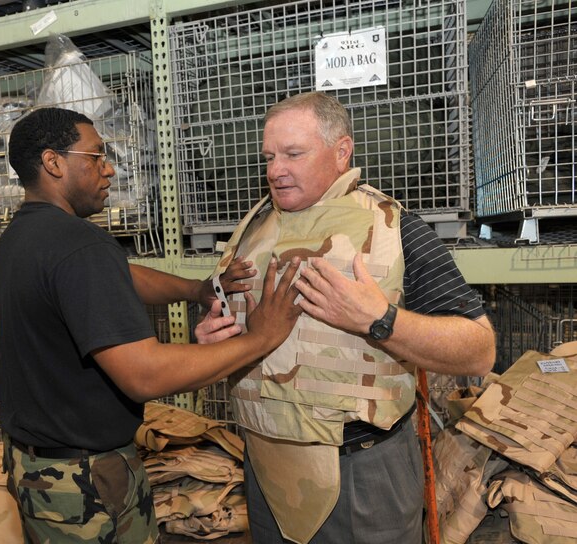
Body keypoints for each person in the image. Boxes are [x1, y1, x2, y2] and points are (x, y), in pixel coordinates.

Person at [0, 106, 303, 544]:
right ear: (54, 163)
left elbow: (120, 276)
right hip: (86, 486)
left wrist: (197, 290)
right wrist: (262, 338)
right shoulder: (79, 245)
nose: (110, 169)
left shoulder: (23, 238)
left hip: (36, 470)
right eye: (96, 156)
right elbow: (144, 374)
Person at [198, 91, 496, 544]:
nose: (276, 170)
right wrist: (214, 340)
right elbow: (233, 327)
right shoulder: (251, 230)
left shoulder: (394, 229)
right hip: (263, 467)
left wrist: (380, 320)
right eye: (270, 156)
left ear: (342, 152)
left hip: (361, 473)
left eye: (294, 154)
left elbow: (479, 350)